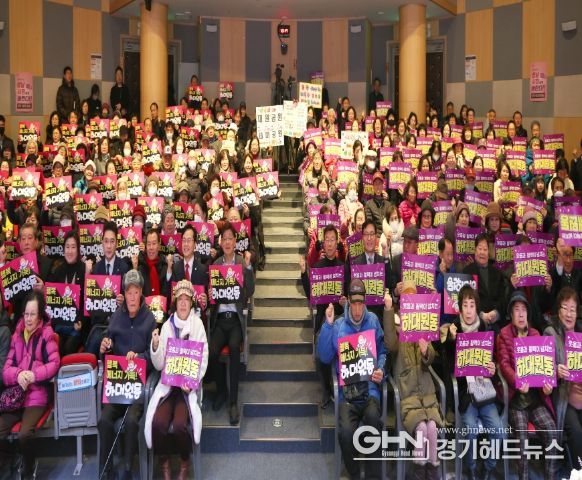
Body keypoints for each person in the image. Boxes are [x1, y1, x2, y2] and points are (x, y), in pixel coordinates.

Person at [317, 279, 387, 479]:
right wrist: (328, 324)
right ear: (348, 301)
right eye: (353, 304)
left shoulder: (373, 321)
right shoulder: (338, 325)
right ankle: (354, 473)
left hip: (370, 389)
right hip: (347, 394)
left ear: (365, 303)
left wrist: (381, 369)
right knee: (346, 433)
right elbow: (324, 356)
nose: (357, 309)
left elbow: (383, 352)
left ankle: (373, 476)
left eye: (360, 304)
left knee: (374, 422)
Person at [144, 280, 209, 480]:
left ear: (191, 303)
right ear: (175, 302)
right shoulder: (167, 326)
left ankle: (184, 461)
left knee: (180, 425)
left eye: (186, 299)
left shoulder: (197, 325)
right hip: (168, 387)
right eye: (180, 299)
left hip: (186, 389)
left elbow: (203, 357)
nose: (183, 303)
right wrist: (156, 347)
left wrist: (192, 381)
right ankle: (164, 462)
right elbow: (158, 365)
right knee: (158, 423)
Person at [98, 270, 157, 480]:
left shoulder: (149, 319)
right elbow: (107, 345)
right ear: (124, 294)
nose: (132, 297)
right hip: (117, 385)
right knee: (104, 420)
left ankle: (128, 469)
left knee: (132, 421)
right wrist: (105, 347)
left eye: (136, 292)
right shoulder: (117, 316)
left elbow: (153, 356)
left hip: (137, 386)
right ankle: (106, 469)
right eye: (128, 293)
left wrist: (139, 357)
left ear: (141, 294)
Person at [495, 289, 559, 480]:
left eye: (524, 309)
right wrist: (517, 380)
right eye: (517, 309)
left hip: (535, 398)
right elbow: (504, 364)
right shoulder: (504, 334)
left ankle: (550, 476)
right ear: (511, 313)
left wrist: (547, 385)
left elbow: (545, 366)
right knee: (522, 439)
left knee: (552, 431)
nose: (521, 314)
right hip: (516, 399)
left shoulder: (535, 333)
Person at [445, 285, 505, 480]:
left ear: (476, 307)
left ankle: (488, 467)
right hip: (465, 392)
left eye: (472, 305)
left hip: (484, 389)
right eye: (465, 305)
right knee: (470, 430)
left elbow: (491, 361)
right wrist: (452, 340)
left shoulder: (485, 328)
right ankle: (470, 468)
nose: (469, 310)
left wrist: (492, 368)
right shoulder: (454, 328)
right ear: (460, 308)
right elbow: (448, 365)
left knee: (498, 430)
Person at [384, 283, 444, 480]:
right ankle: (419, 472)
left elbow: (432, 357)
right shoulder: (396, 326)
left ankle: (432, 472)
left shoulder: (423, 324)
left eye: (413, 297)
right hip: (408, 396)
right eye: (406, 297)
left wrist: (426, 351)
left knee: (432, 428)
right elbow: (390, 345)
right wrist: (388, 310)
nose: (409, 300)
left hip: (428, 395)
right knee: (421, 429)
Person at [0, 290, 60, 478]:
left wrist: (34, 375)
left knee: (24, 434)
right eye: (26, 314)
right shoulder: (16, 334)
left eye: (32, 314)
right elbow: (6, 370)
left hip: (37, 396)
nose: (28, 318)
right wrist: (18, 375)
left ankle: (28, 467)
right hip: (17, 395)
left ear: (40, 315)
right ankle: (10, 459)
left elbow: (55, 364)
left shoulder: (47, 334)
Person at [208, 223, 255, 425]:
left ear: (235, 242)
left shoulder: (241, 263)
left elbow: (250, 291)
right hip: (220, 320)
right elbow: (212, 300)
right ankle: (221, 390)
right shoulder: (216, 264)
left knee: (235, 348)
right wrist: (210, 293)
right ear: (220, 242)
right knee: (212, 351)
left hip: (235, 320)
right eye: (224, 239)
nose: (227, 242)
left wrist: (249, 267)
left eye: (230, 238)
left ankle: (233, 402)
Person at [543, 286, 581, 473]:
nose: (569, 313)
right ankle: (578, 470)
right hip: (563, 396)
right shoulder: (550, 333)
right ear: (558, 311)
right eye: (565, 308)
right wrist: (556, 371)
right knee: (576, 431)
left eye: (572, 309)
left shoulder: (581, 335)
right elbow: (544, 370)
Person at [346, 220, 392, 319]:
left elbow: (390, 284)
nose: (369, 238)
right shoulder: (355, 264)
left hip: (380, 317)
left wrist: (386, 258)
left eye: (372, 234)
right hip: (360, 318)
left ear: (376, 237)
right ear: (362, 237)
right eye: (366, 234)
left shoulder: (383, 261)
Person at [463, 233, 507, 333]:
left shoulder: (497, 273)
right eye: (480, 248)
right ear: (475, 250)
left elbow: (502, 297)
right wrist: (480, 314)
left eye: (485, 249)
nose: (482, 252)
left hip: (496, 322)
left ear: (489, 252)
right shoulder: (467, 272)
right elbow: (464, 299)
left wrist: (496, 313)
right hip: (474, 323)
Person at [51, 230, 86, 356]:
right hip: (59, 324)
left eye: (73, 247)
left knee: (67, 350)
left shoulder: (84, 269)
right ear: (63, 249)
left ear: (78, 249)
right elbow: (52, 300)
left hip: (76, 325)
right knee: (56, 350)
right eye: (67, 247)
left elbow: (87, 301)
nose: (70, 251)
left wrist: (81, 320)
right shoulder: (57, 271)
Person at [133, 228, 171, 298]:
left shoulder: (165, 267)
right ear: (145, 246)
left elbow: (168, 294)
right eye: (149, 244)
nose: (151, 247)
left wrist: (169, 270)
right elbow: (134, 293)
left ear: (159, 246)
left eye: (154, 243)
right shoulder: (139, 267)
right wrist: (134, 269)